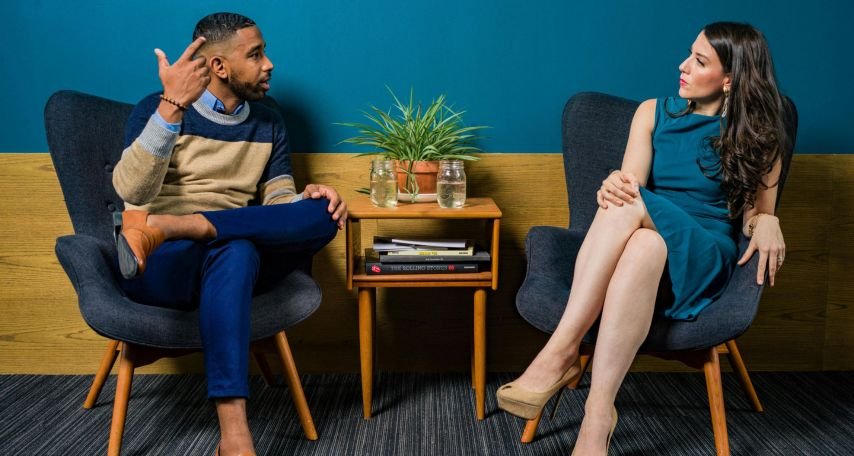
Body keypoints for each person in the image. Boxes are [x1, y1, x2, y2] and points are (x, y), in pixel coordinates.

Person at [497, 22, 789, 455]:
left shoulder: (760, 137)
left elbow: (754, 215)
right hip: (649, 246)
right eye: (688, 53)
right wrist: (612, 185)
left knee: (632, 203)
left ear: (729, 79)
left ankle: (559, 351)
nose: (683, 66)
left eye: (699, 61)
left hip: (704, 251)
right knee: (641, 236)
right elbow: (630, 182)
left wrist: (766, 220)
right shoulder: (652, 112)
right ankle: (598, 416)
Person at [112, 12, 347, 456]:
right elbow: (130, 190)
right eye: (255, 55)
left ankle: (183, 225)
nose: (269, 64)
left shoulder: (269, 122)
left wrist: (304, 201)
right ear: (219, 66)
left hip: (222, 251)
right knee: (237, 248)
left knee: (324, 212)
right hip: (163, 262)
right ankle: (235, 435)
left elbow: (277, 205)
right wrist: (171, 108)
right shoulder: (157, 107)